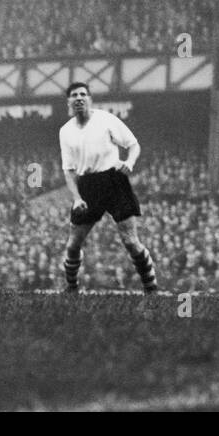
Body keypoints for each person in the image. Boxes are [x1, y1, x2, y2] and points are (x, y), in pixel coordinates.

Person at [59, 82, 158, 294]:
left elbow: (133, 145)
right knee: (73, 245)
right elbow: (68, 170)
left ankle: (151, 288)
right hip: (87, 185)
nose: (79, 98)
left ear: (90, 99)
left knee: (131, 241)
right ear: (68, 102)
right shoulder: (65, 131)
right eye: (74, 95)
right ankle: (71, 288)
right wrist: (77, 197)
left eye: (83, 94)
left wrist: (129, 163)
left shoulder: (105, 119)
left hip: (114, 181)